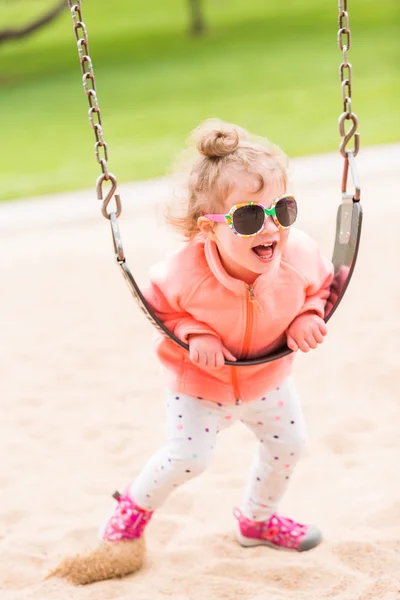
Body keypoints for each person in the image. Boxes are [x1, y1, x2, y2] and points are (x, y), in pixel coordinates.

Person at [102, 119, 334, 555]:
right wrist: (196, 333)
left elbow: (321, 285)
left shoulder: (298, 255)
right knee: (188, 459)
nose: (270, 228)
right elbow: (161, 308)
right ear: (209, 228)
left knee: (289, 446)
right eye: (248, 217)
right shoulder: (184, 272)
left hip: (267, 378)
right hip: (201, 385)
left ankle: (257, 521)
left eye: (281, 209)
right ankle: (132, 509)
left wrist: (308, 313)